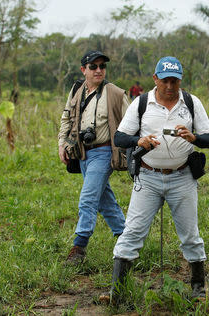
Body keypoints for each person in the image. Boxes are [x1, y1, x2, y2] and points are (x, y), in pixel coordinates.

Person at [109, 56, 209, 303]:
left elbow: (208, 140)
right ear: (155, 79)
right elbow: (119, 138)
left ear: (180, 80)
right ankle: (118, 292)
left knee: (190, 234)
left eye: (174, 81)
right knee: (132, 232)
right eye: (165, 80)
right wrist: (139, 141)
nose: (170, 86)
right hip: (148, 176)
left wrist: (193, 138)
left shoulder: (191, 102)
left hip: (182, 177)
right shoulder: (141, 103)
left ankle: (198, 289)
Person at [58, 50, 129, 264]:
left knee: (88, 198)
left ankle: (79, 247)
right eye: (93, 66)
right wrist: (62, 142)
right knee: (104, 200)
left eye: (102, 66)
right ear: (84, 70)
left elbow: (132, 122)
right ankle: (125, 238)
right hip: (82, 152)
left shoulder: (115, 93)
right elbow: (66, 117)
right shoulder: (77, 89)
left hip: (105, 150)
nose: (99, 70)